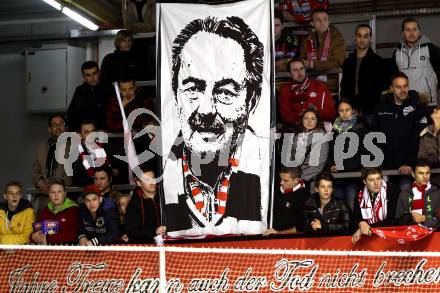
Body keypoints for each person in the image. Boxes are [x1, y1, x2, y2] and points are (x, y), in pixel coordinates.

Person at [163, 16, 267, 236]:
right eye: (193, 89)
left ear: (251, 102)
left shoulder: (268, 174)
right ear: (176, 96)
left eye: (226, 92)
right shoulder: (159, 182)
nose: (206, 110)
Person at [372, 72, 431, 188]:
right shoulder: (381, 109)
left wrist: (408, 163)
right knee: (388, 203)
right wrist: (379, 164)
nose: (403, 90)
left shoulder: (417, 108)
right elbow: (375, 137)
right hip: (385, 169)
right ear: (391, 88)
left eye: (405, 86)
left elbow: (417, 139)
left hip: (407, 170)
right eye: (398, 87)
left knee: (406, 201)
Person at [327, 99, 368, 211]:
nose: (344, 113)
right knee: (337, 211)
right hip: (337, 179)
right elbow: (329, 152)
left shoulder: (361, 129)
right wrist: (331, 165)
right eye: (341, 110)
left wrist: (345, 167)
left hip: (353, 178)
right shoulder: (334, 131)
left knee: (352, 208)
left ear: (352, 111)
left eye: (347, 110)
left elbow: (363, 154)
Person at [340, 24, 387, 117]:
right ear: (355, 37)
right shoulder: (348, 62)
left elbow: (381, 89)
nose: (362, 40)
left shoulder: (379, 62)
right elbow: (344, 88)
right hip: (351, 110)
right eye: (359, 36)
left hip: (372, 111)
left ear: (370, 38)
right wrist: (348, 107)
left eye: (366, 36)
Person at [393, 18, 440, 106]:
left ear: (419, 32)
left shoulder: (430, 48)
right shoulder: (397, 52)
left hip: (427, 103)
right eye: (408, 30)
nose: (411, 33)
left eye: (414, 29)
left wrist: (436, 85)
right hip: (405, 103)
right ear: (402, 33)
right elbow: (394, 78)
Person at [31, 114, 71, 215]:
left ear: (65, 128)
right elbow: (35, 171)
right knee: (43, 229)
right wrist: (39, 182)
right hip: (45, 200)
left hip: (66, 199)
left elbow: (74, 173)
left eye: (61, 124)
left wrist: (57, 188)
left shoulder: (74, 146)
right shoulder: (41, 147)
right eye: (54, 125)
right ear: (49, 129)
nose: (58, 127)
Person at [278, 58, 335, 127]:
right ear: (289, 74)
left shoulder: (320, 87)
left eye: (302, 69)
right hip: (296, 130)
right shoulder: (284, 89)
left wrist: (317, 111)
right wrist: (301, 114)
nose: (299, 72)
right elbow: (286, 117)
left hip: (319, 129)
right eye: (295, 70)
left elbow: (331, 114)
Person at [351, 168, 399, 244]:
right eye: (371, 180)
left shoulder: (393, 190)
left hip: (390, 237)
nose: (376, 183)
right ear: (364, 181)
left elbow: (393, 220)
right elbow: (355, 218)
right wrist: (360, 223)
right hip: (369, 238)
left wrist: (368, 228)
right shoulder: (360, 194)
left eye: (378, 178)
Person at [286, 107, 329, 183]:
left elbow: (318, 165)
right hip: (294, 178)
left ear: (317, 121)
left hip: (309, 180)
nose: (309, 121)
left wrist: (300, 180)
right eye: (306, 118)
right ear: (302, 120)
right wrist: (290, 177)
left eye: (313, 119)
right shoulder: (295, 136)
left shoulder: (322, 137)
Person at [67, 61, 113, 132]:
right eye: (88, 75)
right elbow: (71, 114)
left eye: (94, 73)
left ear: (99, 73)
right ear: (84, 76)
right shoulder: (79, 90)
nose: (92, 78)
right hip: (84, 133)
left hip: (104, 133)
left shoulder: (109, 89)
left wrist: (107, 130)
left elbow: (114, 114)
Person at [30, 178, 79, 245]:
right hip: (47, 251)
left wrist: (48, 238)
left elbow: (74, 235)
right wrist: (33, 236)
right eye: (53, 192)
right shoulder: (45, 211)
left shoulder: (73, 210)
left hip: (67, 251)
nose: (56, 195)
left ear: (65, 194)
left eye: (59, 192)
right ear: (49, 195)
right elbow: (37, 229)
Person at [264, 166, 308, 235]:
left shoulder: (305, 196)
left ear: (296, 180)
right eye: (281, 179)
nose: (281, 182)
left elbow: (302, 226)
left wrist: (278, 233)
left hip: (289, 241)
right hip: (268, 234)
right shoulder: (274, 189)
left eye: (285, 180)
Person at [125, 167, 165, 243]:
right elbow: (132, 232)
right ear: (139, 183)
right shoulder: (134, 204)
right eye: (147, 180)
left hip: (169, 243)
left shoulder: (165, 196)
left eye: (153, 178)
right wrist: (154, 231)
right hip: (146, 247)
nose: (152, 182)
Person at [395, 160, 440, 228]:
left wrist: (424, 218)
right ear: (413, 174)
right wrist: (411, 217)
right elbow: (398, 221)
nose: (425, 177)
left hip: (433, 236)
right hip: (410, 236)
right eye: (421, 173)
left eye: (427, 173)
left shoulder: (437, 193)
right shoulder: (404, 194)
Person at [299, 8, 345, 72]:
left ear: (329, 22)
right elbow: (302, 59)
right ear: (312, 23)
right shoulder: (306, 39)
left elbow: (337, 63)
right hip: (310, 78)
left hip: (331, 79)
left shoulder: (337, 38)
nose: (322, 22)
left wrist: (311, 64)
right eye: (318, 20)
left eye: (325, 19)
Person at [72, 121, 112, 187]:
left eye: (92, 131)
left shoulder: (105, 147)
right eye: (86, 132)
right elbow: (77, 179)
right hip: (86, 191)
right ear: (80, 135)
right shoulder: (75, 154)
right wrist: (95, 181)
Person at [419, 106, 440, 186]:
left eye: (438, 110)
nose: (434, 110)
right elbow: (422, 158)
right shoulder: (425, 133)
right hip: (430, 179)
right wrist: (437, 158)